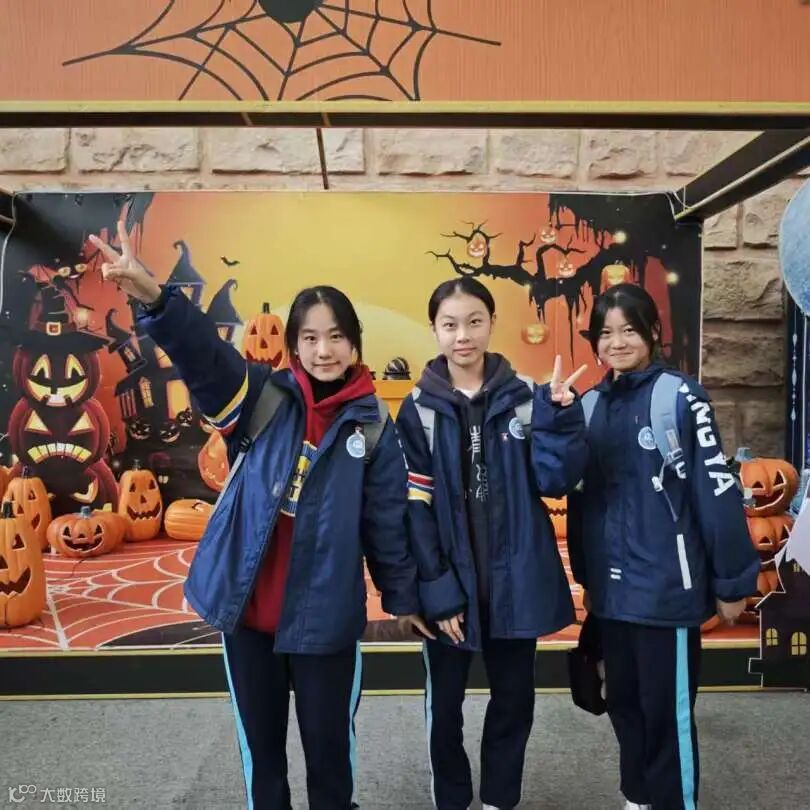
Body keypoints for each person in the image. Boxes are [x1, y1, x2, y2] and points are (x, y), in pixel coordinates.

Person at [90, 223, 428, 810]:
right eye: (311, 337)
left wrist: (405, 598)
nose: (324, 350)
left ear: (355, 344)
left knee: (330, 761)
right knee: (263, 760)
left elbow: (386, 525)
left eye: (337, 337)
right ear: (294, 345)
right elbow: (203, 356)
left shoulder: (373, 427)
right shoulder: (261, 398)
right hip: (248, 619)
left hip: (326, 627)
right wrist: (155, 298)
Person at [395, 276, 587, 810]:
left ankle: (501, 798)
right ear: (434, 329)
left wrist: (561, 418)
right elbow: (414, 507)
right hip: (448, 588)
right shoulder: (417, 409)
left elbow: (555, 481)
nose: (463, 336)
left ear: (492, 324)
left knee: (514, 701)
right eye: (450, 324)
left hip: (514, 583)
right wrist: (435, 589)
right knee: (444, 708)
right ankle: (452, 799)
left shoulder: (526, 397)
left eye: (474, 322)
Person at [568, 283, 759, 810]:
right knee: (623, 703)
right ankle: (637, 796)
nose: (617, 342)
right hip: (612, 596)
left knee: (666, 713)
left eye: (629, 330)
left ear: (653, 332)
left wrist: (732, 581)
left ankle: (674, 801)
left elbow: (716, 491)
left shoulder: (681, 398)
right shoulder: (588, 405)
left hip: (665, 593)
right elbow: (581, 502)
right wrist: (587, 579)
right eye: (606, 333)